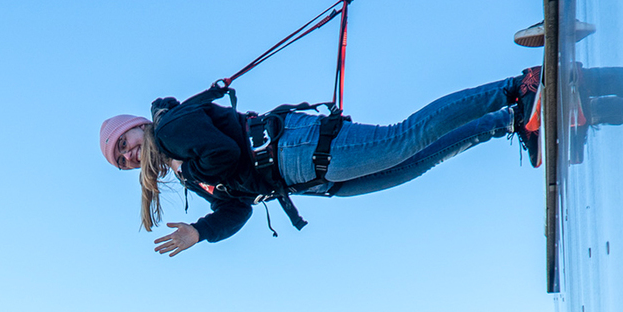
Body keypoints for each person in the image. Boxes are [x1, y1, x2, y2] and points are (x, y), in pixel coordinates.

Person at [99, 69, 541, 255]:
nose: (128, 154)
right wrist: (202, 231)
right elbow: (237, 206)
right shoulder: (182, 169)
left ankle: (513, 88)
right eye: (122, 160)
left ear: (138, 126)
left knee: (404, 139)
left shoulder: (172, 130)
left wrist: (189, 171)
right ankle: (512, 120)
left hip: (296, 147)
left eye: (124, 142)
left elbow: (226, 155)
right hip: (303, 179)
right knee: (412, 163)